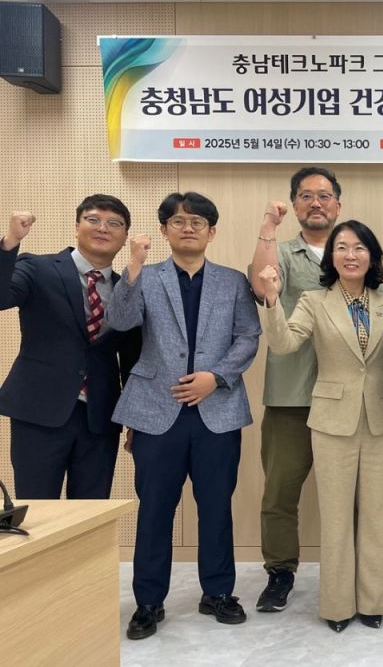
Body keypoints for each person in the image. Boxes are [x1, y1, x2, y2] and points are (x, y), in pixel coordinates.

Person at [109, 192, 261, 640]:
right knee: (155, 509)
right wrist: (133, 268)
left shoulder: (233, 281)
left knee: (216, 506)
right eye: (178, 221)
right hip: (156, 410)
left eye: (198, 221)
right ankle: (148, 602)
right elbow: (120, 320)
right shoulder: (145, 276)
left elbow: (248, 336)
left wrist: (216, 376)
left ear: (212, 232)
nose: (188, 227)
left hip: (217, 410)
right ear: (164, 231)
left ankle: (218, 592)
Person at [257, 220, 383, 633]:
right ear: (331, 257)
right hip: (330, 421)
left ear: (372, 257)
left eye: (359, 247)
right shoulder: (314, 300)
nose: (350, 255)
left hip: (380, 419)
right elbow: (284, 343)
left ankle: (374, 602)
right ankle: (338, 605)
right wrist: (272, 300)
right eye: (341, 247)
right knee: (337, 516)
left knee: (376, 515)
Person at [0, 196, 140, 499]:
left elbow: (132, 360)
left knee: (91, 513)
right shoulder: (37, 267)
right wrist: (10, 242)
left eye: (114, 223)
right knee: (38, 511)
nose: (103, 228)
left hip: (100, 418)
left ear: (124, 236)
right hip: (38, 412)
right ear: (77, 226)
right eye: (93, 219)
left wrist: (135, 419)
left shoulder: (127, 289)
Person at [248, 167, 341, 612]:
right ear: (295, 204)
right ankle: (280, 573)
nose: (315, 202)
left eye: (324, 195)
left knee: (350, 492)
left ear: (338, 204)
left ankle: (350, 573)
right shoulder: (281, 251)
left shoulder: (354, 251)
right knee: (280, 492)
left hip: (347, 395)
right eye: (305, 196)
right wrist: (269, 225)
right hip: (290, 394)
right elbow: (260, 283)